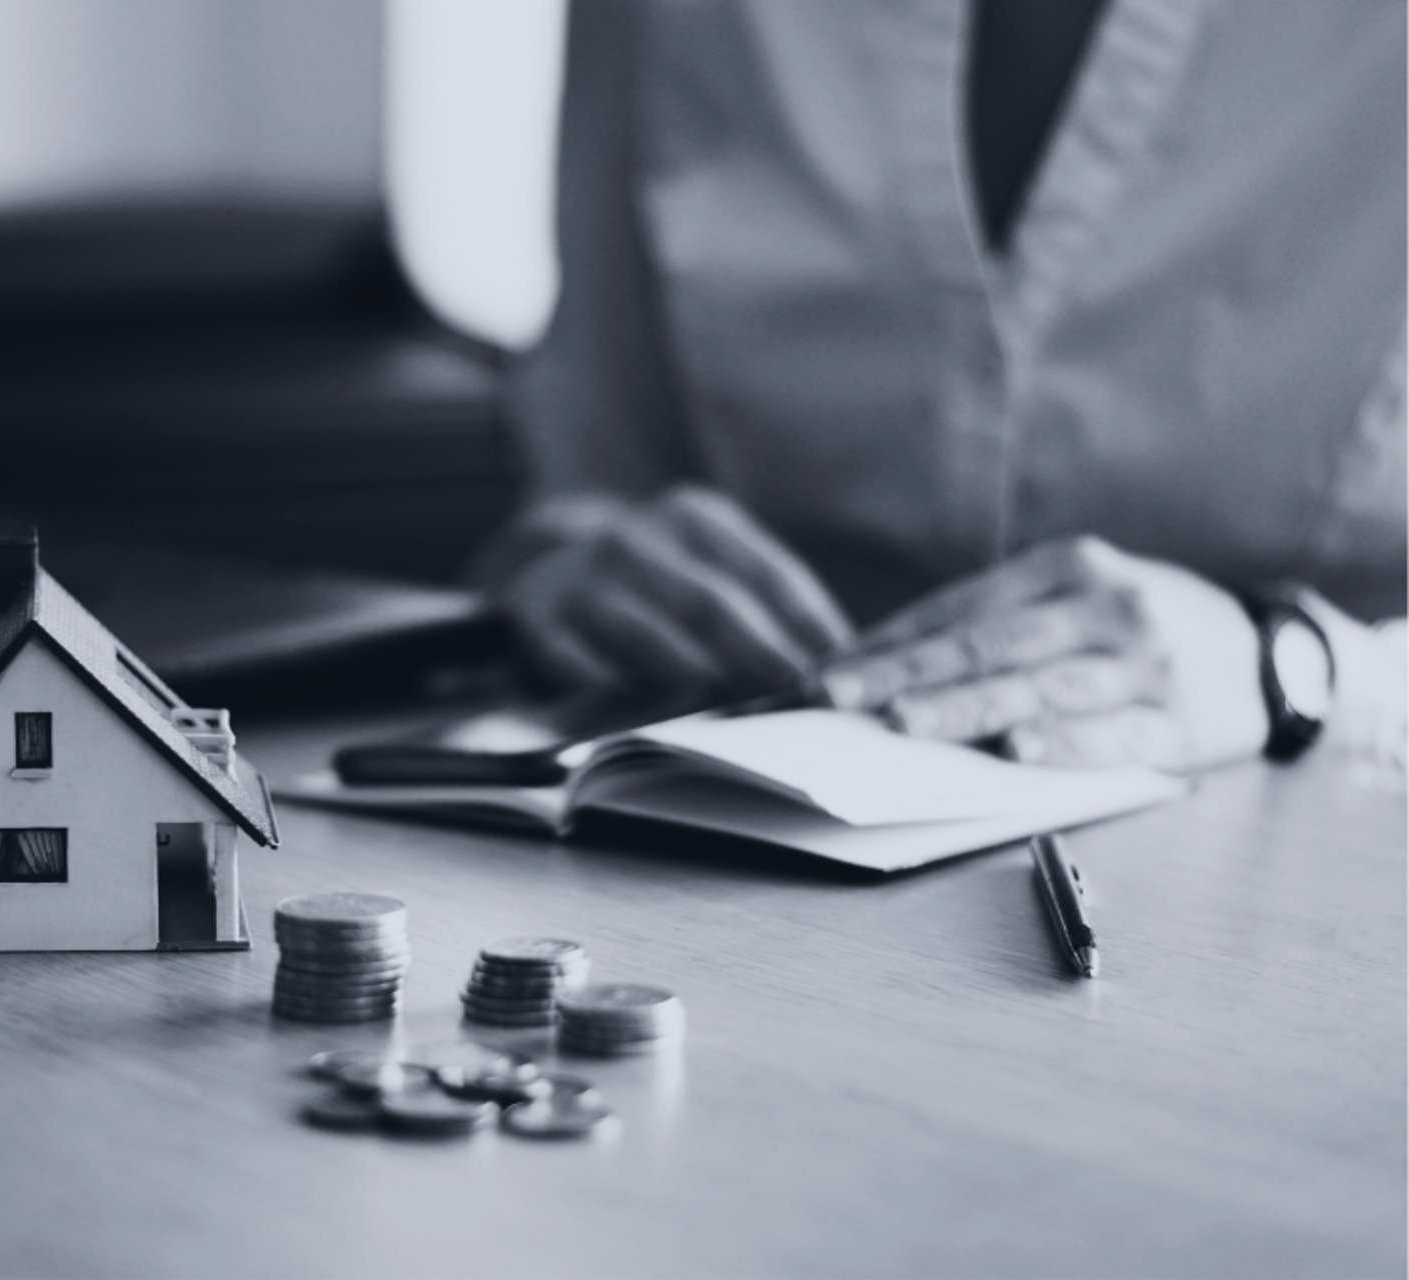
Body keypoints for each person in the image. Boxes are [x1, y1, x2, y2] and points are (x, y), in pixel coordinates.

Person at [480, 0, 1406, 773]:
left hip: (1315, 882)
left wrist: (1304, 668)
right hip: (736, 854)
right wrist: (580, 572)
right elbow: (594, 479)